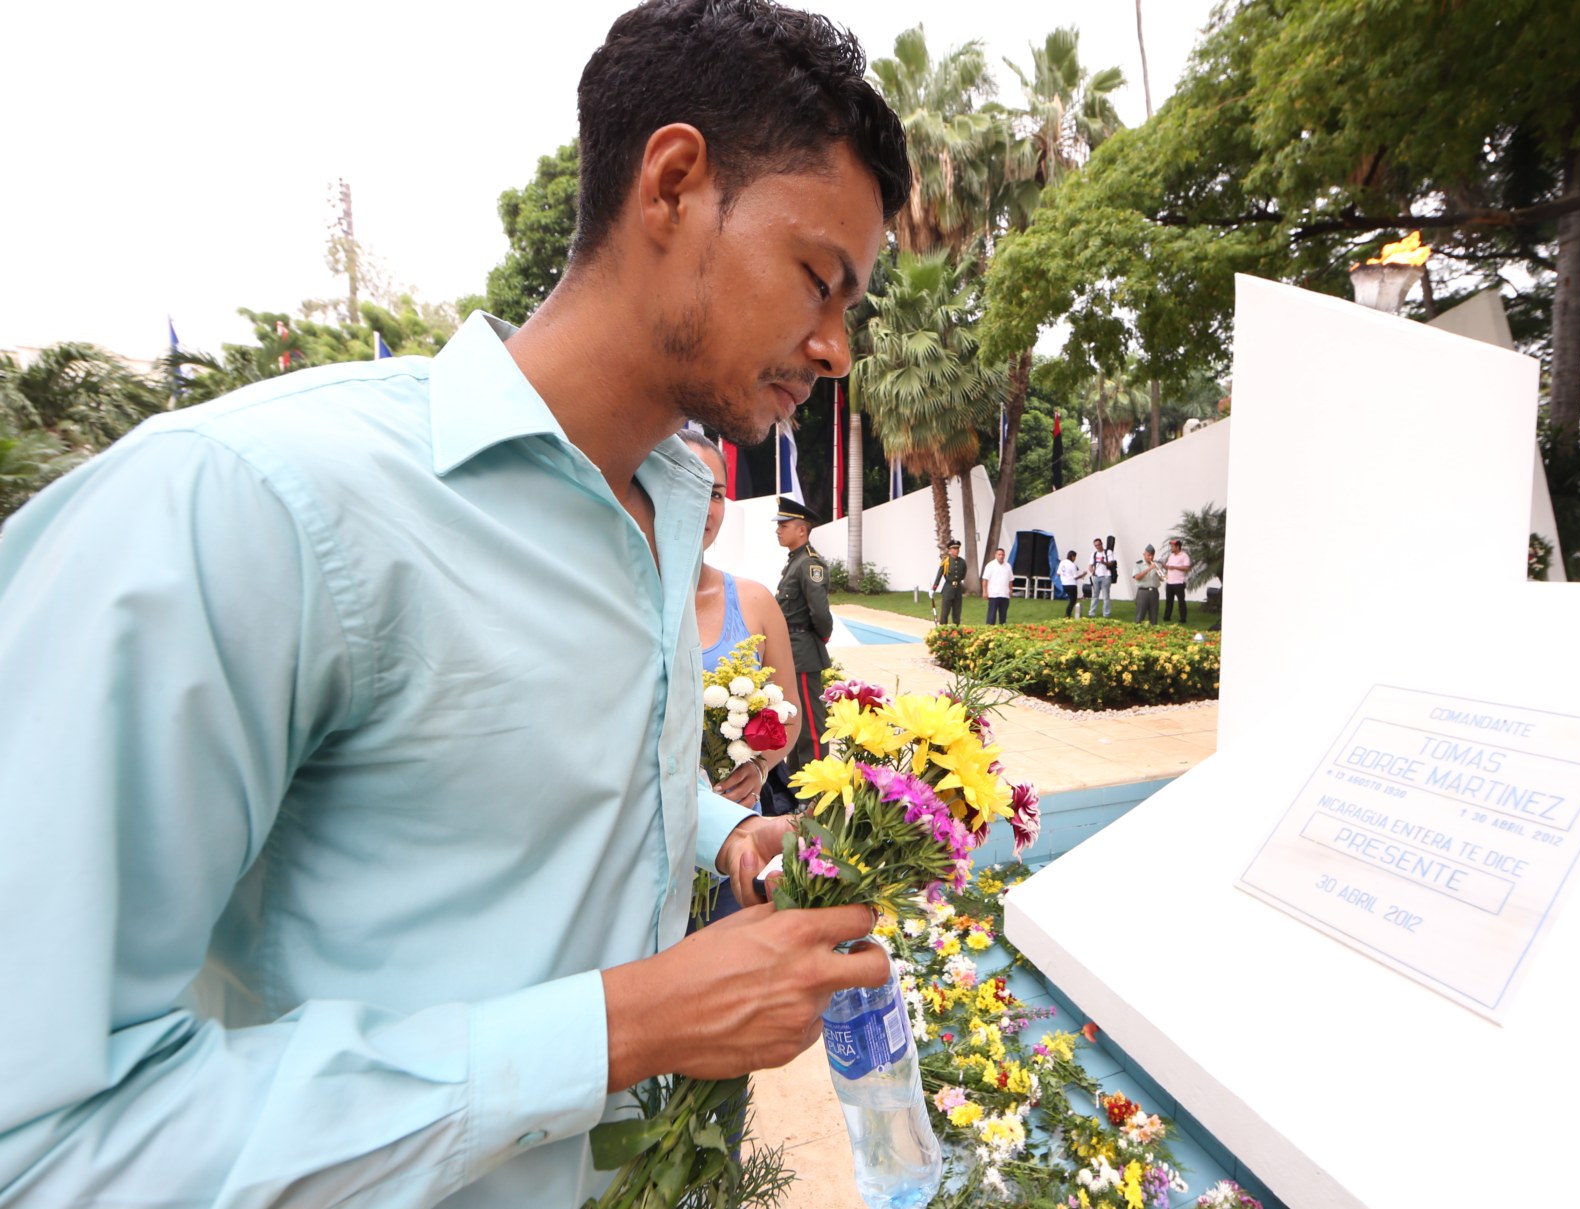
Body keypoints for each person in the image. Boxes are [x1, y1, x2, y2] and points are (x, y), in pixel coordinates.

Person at [0, 3, 909, 1205]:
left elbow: (556, 789)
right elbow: (45, 1139)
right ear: (673, 185)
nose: (835, 347)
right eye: (818, 280)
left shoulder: (658, 514)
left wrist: (721, 834)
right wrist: (622, 1029)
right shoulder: (249, 504)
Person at [680, 429, 799, 812]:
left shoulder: (755, 602)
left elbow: (790, 715)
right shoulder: (620, 602)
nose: (705, 506)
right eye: (688, 483)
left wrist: (760, 767)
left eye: (715, 494)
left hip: (736, 825)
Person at [776, 496, 834, 774]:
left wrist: (821, 638)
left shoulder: (810, 564)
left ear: (802, 530)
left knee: (810, 724)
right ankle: (796, 783)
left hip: (803, 652)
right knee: (794, 721)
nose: (778, 530)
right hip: (793, 650)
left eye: (784, 525)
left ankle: (817, 787)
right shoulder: (796, 561)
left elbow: (820, 614)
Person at [932, 538, 967, 625]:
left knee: (957, 613)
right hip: (948, 589)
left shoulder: (962, 562)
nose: (956, 550)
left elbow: (963, 575)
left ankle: (956, 629)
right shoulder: (946, 561)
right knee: (945, 613)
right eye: (954, 548)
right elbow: (939, 575)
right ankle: (943, 629)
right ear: (949, 550)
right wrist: (934, 588)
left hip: (958, 590)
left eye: (957, 548)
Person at [1162, 536, 1193, 622]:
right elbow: (1168, 567)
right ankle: (1167, 617)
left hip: (1179, 582)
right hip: (1169, 582)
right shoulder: (1171, 556)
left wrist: (1175, 567)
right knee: (1169, 600)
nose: (1171, 548)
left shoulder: (1184, 556)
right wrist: (1163, 564)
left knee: (1181, 601)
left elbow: (1187, 568)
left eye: (1172, 546)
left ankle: (1183, 618)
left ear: (1178, 547)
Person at [982, 546, 1014, 624]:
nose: (1001, 556)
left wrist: (1010, 590)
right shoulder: (990, 565)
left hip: (1004, 594)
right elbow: (985, 579)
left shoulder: (1008, 566)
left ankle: (1002, 627)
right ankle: (990, 628)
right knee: (992, 615)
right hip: (994, 594)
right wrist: (984, 592)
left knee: (1003, 615)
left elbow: (1010, 580)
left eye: (1002, 554)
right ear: (995, 555)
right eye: (999, 554)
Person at [1131, 543, 1162, 624]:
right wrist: (1149, 569)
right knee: (1140, 615)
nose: (1150, 557)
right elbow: (1137, 577)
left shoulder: (1157, 564)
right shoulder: (1138, 564)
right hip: (1143, 592)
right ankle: (1138, 629)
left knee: (1154, 615)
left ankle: (1153, 629)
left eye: (1152, 555)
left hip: (1154, 592)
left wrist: (1159, 572)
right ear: (1144, 554)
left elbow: (1162, 578)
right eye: (1148, 555)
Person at [1086, 537, 1113, 617]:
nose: (1098, 547)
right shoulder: (1093, 554)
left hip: (1106, 576)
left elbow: (1111, 563)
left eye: (1099, 545)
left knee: (1106, 596)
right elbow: (1090, 566)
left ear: (1102, 544)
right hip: (1096, 577)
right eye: (1096, 545)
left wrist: (1103, 562)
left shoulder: (1108, 552)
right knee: (1095, 596)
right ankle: (1092, 613)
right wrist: (1092, 571)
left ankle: (1106, 614)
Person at [1056, 549, 1082, 618]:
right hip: (1072, 584)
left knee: (1071, 600)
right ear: (1072, 556)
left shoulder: (1062, 563)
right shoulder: (1072, 565)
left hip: (1064, 584)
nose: (1075, 559)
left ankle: (1068, 614)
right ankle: (1067, 614)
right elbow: (1075, 577)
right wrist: (1083, 575)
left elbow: (1058, 573)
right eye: (1075, 557)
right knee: (1073, 601)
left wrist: (1064, 575)